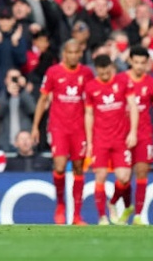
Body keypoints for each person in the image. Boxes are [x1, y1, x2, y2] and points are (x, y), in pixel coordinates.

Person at [32, 40, 94, 225]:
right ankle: (60, 205)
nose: (73, 56)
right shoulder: (53, 72)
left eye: (77, 52)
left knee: (78, 168)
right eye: (70, 52)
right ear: (64, 53)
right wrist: (35, 126)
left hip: (79, 128)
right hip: (58, 127)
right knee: (59, 166)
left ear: (80, 54)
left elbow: (92, 102)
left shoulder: (87, 73)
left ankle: (76, 215)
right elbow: (43, 99)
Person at [113, 46, 153, 225]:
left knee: (142, 172)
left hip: (144, 135)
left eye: (143, 62)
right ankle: (125, 205)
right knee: (124, 178)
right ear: (129, 61)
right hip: (121, 135)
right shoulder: (119, 80)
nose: (139, 66)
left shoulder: (152, 84)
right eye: (136, 62)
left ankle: (138, 216)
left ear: (148, 63)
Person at [84, 54, 138, 226]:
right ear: (96, 69)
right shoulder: (91, 87)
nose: (105, 72)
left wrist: (133, 132)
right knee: (100, 176)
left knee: (123, 178)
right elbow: (89, 114)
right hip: (101, 140)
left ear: (111, 66)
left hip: (121, 139)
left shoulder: (122, 83)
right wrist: (90, 142)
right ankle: (102, 217)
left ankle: (112, 202)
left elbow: (134, 107)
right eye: (101, 69)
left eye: (107, 68)